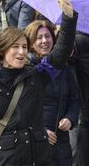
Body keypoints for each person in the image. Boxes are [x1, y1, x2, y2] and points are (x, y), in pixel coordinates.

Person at [0, 0, 77, 166]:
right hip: (4, 161)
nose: (21, 52)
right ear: (2, 50)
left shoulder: (36, 76)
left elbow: (60, 53)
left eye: (25, 47)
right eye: (15, 47)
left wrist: (68, 18)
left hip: (37, 159)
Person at [25, 20, 79, 166]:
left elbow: (74, 99)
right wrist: (41, 131)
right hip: (37, 143)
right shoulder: (27, 71)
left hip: (61, 141)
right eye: (39, 37)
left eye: (48, 36)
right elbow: (22, 111)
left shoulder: (63, 68)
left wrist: (70, 118)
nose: (44, 41)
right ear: (30, 43)